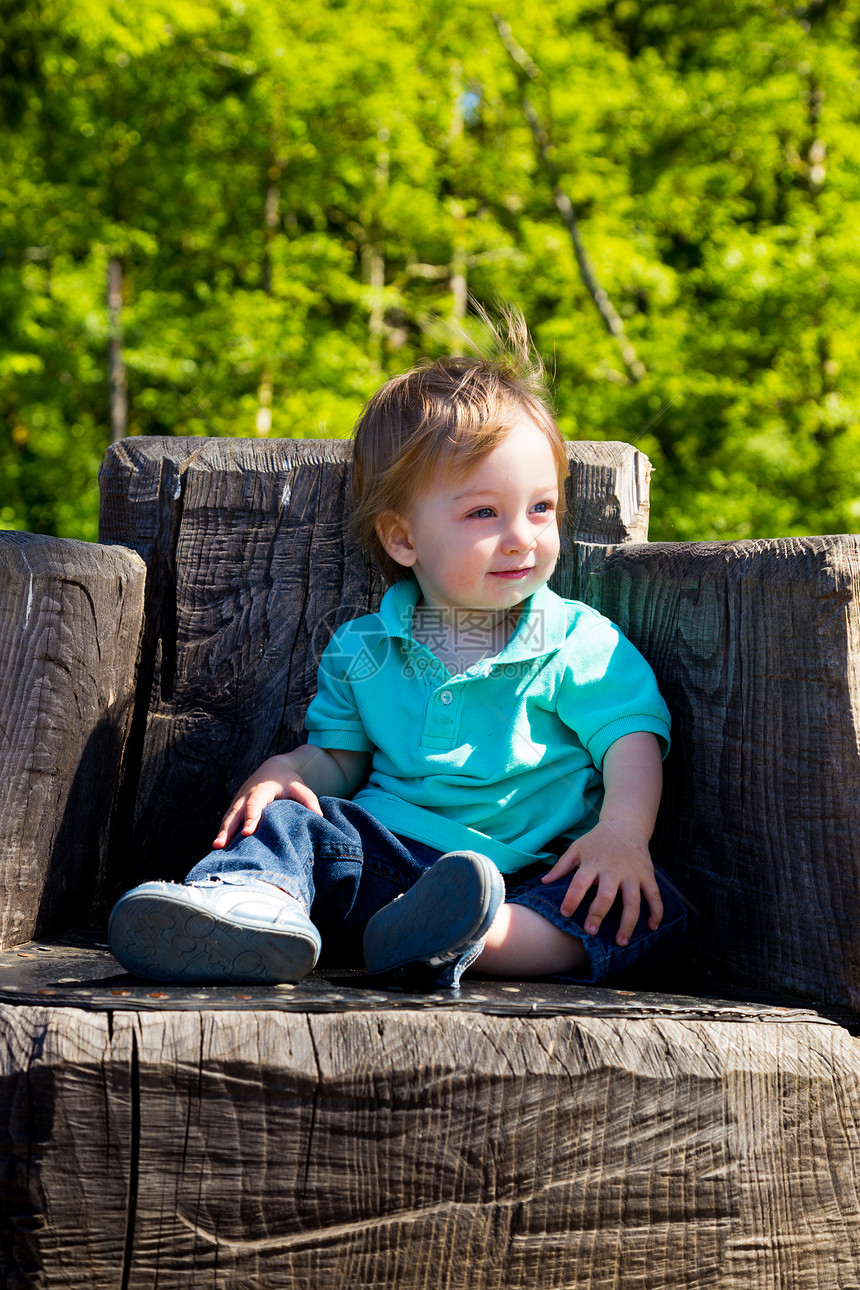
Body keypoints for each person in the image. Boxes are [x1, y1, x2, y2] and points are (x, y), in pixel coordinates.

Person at [109, 314, 686, 990]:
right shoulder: (367, 648)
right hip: (383, 854)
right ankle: (252, 909)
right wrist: (288, 767)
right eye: (484, 514)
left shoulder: (576, 639)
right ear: (403, 539)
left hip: (527, 869)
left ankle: (466, 938)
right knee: (294, 820)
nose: (521, 538)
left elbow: (631, 738)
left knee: (642, 908)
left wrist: (622, 831)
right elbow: (339, 760)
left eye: (541, 509)